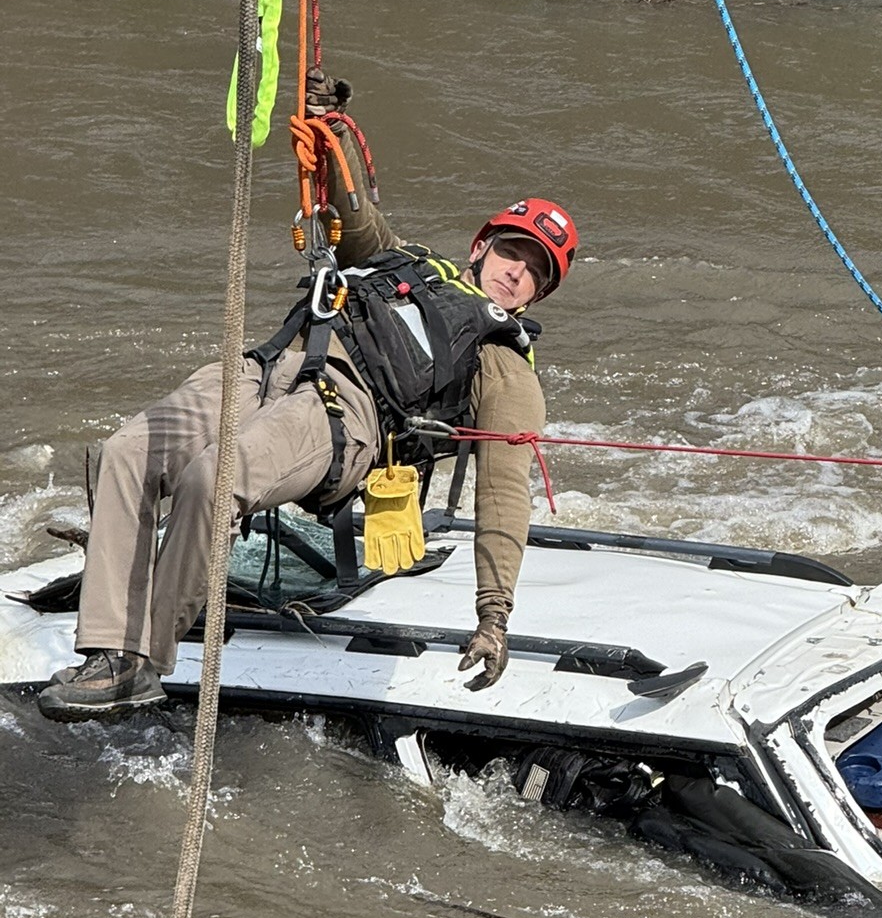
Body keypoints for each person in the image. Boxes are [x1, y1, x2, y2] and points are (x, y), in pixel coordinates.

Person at [37, 74, 578, 720]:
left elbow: (504, 488)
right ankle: (106, 649)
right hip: (268, 368)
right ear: (481, 246)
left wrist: (494, 613)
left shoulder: (503, 361)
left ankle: (139, 662)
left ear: (537, 294)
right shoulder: (408, 261)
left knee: (215, 478)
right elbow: (352, 215)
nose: (517, 271)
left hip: (343, 416)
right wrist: (333, 126)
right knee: (127, 451)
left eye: (535, 271)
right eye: (514, 252)